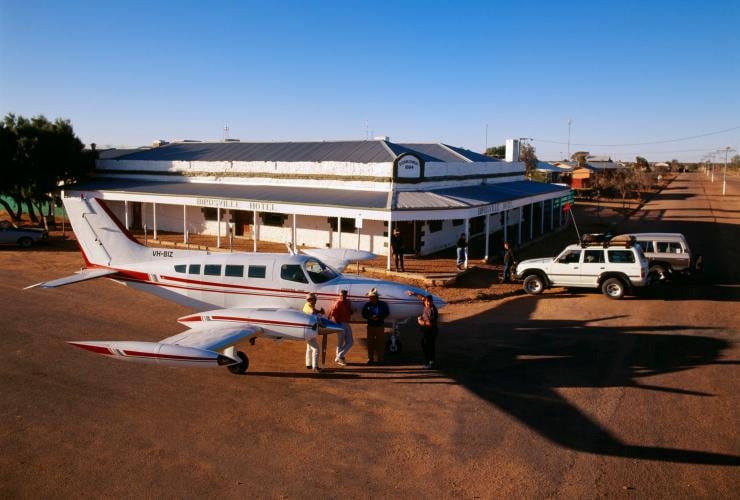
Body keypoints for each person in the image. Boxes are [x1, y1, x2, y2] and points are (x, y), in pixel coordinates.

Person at [405, 290, 439, 369]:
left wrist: (420, 321)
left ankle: (430, 362)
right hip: (426, 331)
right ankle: (430, 361)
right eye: (427, 301)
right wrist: (413, 293)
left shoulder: (433, 310)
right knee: (425, 346)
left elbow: (429, 323)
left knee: (429, 346)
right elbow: (422, 298)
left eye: (429, 302)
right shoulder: (426, 304)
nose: (428, 303)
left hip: (431, 331)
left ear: (432, 302)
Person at [361, 288, 390, 365]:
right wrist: (370, 317)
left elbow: (386, 313)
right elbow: (363, 314)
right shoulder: (367, 305)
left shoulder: (383, 304)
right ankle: (370, 359)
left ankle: (381, 359)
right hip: (370, 326)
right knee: (370, 343)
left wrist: (379, 317)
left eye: (371, 296)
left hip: (379, 326)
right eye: (370, 296)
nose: (370, 298)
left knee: (380, 343)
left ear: (376, 297)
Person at [328, 289, 353, 366]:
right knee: (340, 343)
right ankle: (340, 358)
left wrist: (351, 311)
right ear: (339, 295)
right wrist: (337, 325)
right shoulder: (338, 303)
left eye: (344, 295)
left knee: (350, 342)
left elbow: (350, 311)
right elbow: (333, 315)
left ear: (346, 295)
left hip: (346, 323)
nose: (343, 296)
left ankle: (339, 356)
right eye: (341, 295)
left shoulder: (348, 302)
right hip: (340, 324)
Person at [302, 292, 325, 372]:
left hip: (308, 330)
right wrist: (319, 315)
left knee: (309, 348)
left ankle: (308, 364)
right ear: (310, 300)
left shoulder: (308, 305)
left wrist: (319, 311)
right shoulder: (309, 306)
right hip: (309, 331)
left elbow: (314, 310)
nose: (316, 300)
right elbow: (312, 312)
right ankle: (315, 367)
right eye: (314, 299)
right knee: (316, 349)